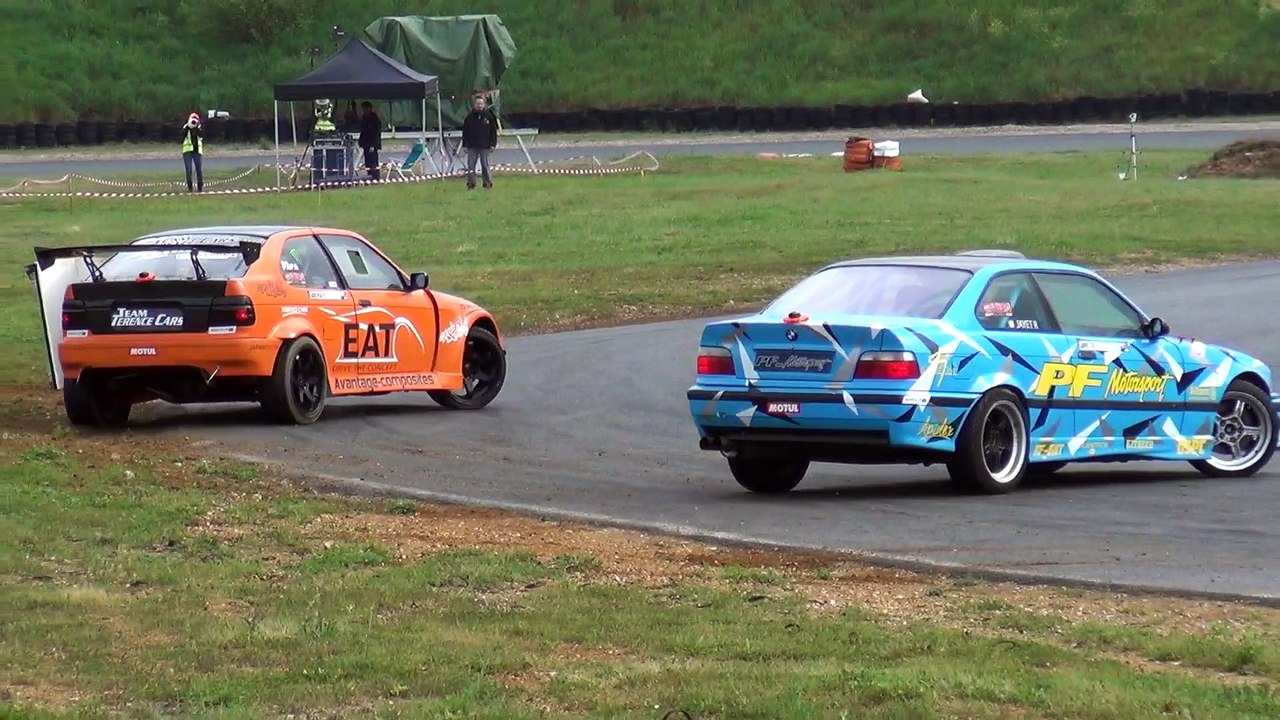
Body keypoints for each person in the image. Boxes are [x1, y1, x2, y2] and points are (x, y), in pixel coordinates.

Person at [461, 95, 497, 189]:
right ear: (474, 105)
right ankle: (471, 184)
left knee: (485, 165)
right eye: (478, 104)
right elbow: (465, 132)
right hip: (472, 146)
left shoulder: (489, 116)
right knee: (471, 166)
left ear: (484, 104)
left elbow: (493, 131)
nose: (479, 105)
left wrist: (493, 144)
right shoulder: (469, 117)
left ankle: (487, 183)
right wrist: (464, 145)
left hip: (485, 145)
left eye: (481, 104)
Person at [357, 101, 382, 181]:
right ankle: (369, 176)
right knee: (367, 162)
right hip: (366, 144)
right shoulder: (364, 118)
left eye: (366, 109)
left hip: (372, 144)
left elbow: (376, 133)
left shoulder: (375, 119)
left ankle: (375, 177)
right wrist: (361, 142)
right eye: (363, 109)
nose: (364, 111)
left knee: (373, 162)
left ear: (370, 109)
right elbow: (363, 131)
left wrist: (373, 145)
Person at [181, 112, 203, 193]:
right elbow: (182, 136)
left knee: (199, 169)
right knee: (189, 169)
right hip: (187, 151)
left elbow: (202, 135)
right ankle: (190, 187)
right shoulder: (186, 127)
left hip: (197, 151)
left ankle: (200, 186)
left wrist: (196, 128)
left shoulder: (199, 127)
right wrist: (188, 127)